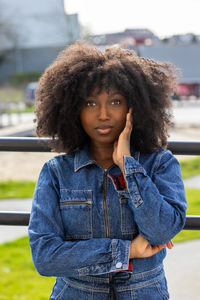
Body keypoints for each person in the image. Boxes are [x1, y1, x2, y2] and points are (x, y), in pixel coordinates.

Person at [28, 42, 187, 299]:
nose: (103, 114)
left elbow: (161, 231)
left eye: (115, 102)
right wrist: (126, 252)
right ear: (73, 110)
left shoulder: (160, 164)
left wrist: (128, 167)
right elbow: (45, 257)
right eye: (90, 104)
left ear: (134, 107)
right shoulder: (56, 173)